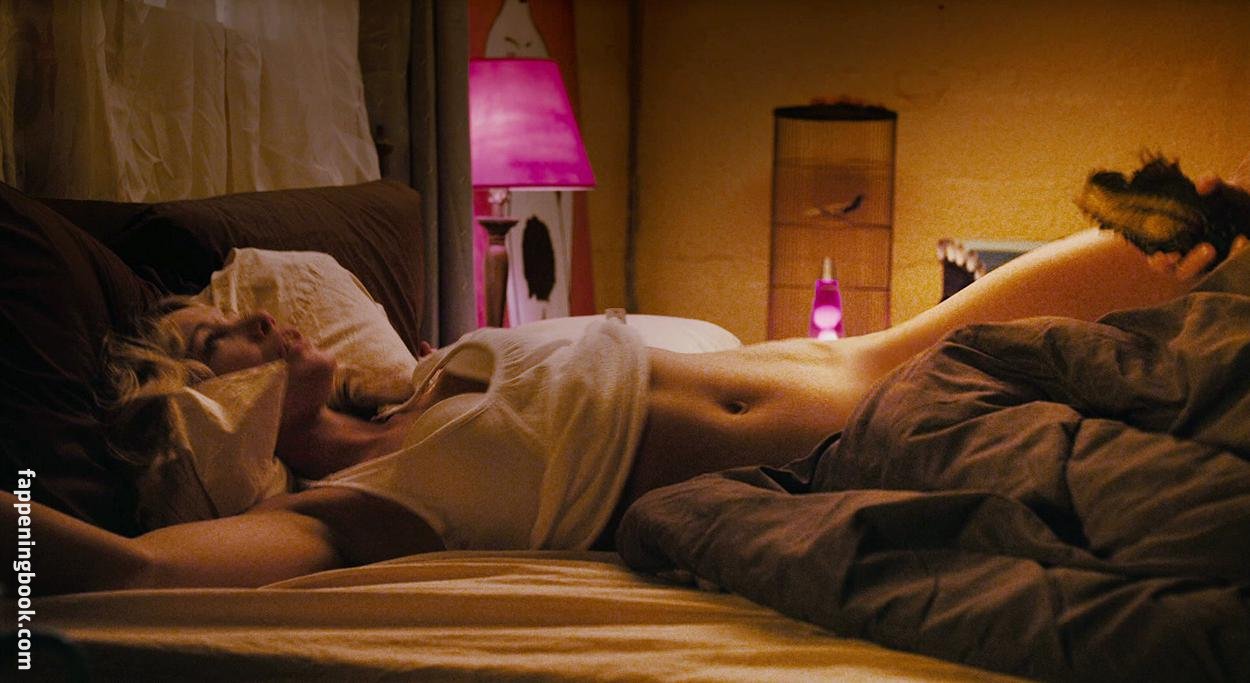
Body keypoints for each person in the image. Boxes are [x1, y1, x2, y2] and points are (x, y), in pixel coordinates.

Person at [4, 180, 1247, 595]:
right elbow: (143, 571)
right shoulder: (355, 509)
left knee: (1195, 247)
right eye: (220, 338)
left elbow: (874, 350)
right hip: (880, 442)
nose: (258, 315)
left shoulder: (429, 377)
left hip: (906, 360)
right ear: (203, 413)